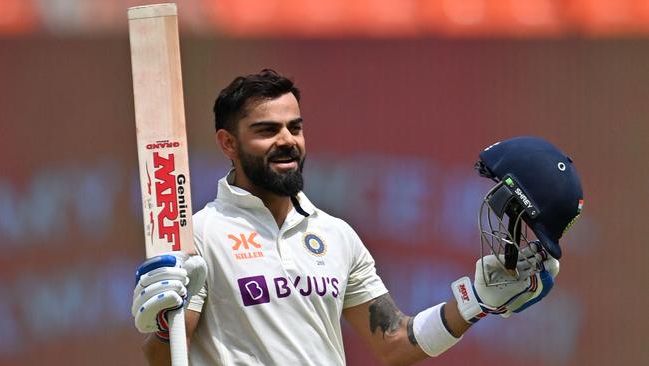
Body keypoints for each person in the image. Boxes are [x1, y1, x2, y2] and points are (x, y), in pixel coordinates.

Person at [131, 70, 583, 365]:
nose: (287, 141)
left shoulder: (336, 235)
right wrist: (159, 323)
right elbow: (168, 355)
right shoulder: (201, 235)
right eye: (266, 130)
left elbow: (393, 342)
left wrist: (474, 302)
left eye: (295, 127)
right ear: (228, 143)